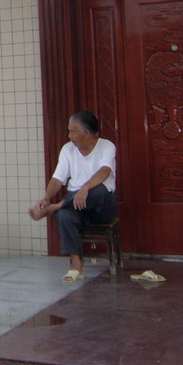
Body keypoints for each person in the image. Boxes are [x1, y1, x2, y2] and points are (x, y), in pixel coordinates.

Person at [28, 111, 117, 283]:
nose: (70, 136)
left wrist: (85, 187)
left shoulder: (106, 146)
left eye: (73, 131)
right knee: (64, 216)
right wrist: (47, 197)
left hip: (101, 206)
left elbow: (105, 171)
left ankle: (55, 207)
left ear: (86, 133)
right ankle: (76, 267)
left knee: (97, 191)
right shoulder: (68, 149)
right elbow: (57, 178)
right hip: (76, 205)